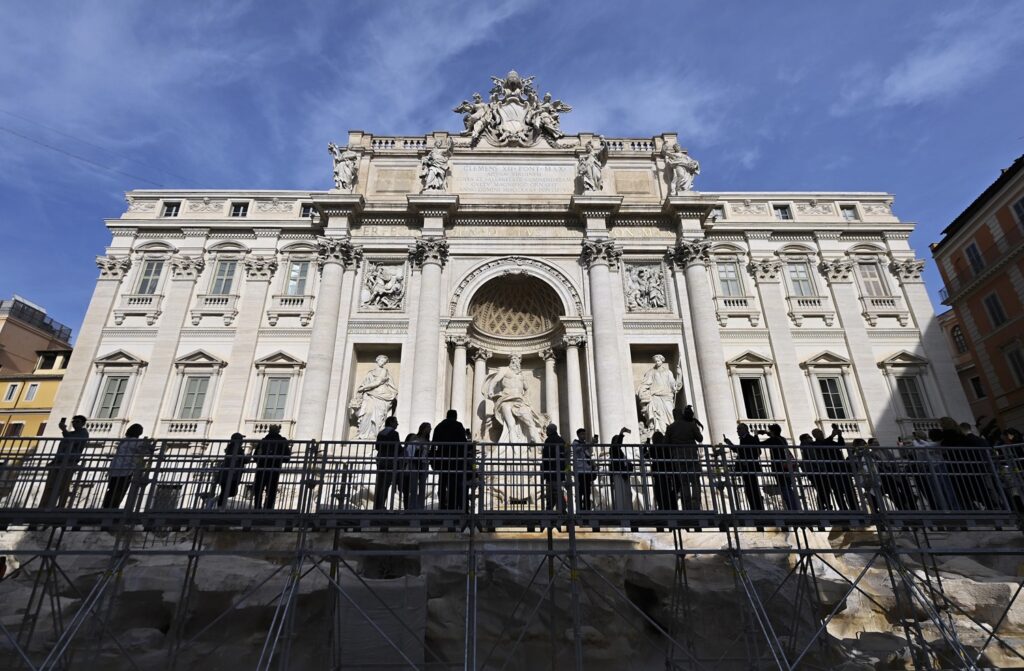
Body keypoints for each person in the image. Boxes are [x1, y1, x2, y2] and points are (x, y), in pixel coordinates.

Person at [39, 415, 90, 508]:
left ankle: (61, 506)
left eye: (77, 422)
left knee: (63, 486)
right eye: (73, 422)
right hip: (58, 462)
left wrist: (64, 430)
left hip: (69, 462)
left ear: (83, 424)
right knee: (50, 486)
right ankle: (44, 505)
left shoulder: (83, 433)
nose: (74, 423)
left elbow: (72, 440)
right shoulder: (71, 433)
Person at [102, 424, 154, 509]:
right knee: (120, 491)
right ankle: (113, 509)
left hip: (114, 468)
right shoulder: (137, 442)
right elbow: (146, 451)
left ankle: (106, 507)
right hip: (126, 470)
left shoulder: (124, 441)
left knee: (111, 490)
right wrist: (150, 445)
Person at [664, 406, 704, 510]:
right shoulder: (691, 425)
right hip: (691, 456)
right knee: (695, 481)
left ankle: (687, 506)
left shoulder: (670, 428)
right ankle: (696, 504)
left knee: (684, 483)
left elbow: (665, 444)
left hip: (678, 457)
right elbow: (700, 438)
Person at [350, 355, 398, 440]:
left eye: (384, 362)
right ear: (377, 360)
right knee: (367, 412)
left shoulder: (384, 371)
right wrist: (361, 391)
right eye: (381, 361)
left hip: (381, 395)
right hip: (370, 395)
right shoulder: (370, 373)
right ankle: (363, 434)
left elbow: (378, 382)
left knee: (379, 416)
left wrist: (364, 388)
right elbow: (364, 383)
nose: (382, 363)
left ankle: (375, 434)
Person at [810, 425, 857, 511]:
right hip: (831, 469)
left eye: (821, 432)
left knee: (849, 489)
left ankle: (854, 508)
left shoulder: (828, 441)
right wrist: (832, 436)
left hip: (841, 467)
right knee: (837, 490)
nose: (821, 434)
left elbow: (841, 445)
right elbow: (822, 446)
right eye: (818, 433)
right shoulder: (815, 444)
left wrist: (839, 435)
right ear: (814, 435)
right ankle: (844, 509)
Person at [432, 410, 469, 512]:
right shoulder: (458, 425)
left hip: (442, 458)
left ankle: (442, 505)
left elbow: (434, 442)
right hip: (456, 459)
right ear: (455, 416)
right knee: (455, 483)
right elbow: (463, 441)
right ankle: (453, 505)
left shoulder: (439, 426)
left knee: (442, 482)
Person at [724, 423, 766, 511]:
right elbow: (741, 450)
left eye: (739, 429)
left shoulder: (748, 438)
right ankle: (756, 507)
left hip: (749, 466)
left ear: (745, 430)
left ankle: (757, 508)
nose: (737, 431)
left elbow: (754, 451)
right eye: (738, 429)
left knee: (752, 488)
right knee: (750, 487)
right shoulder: (744, 439)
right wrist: (730, 444)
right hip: (748, 466)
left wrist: (747, 458)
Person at [252, 425, 291, 510]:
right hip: (274, 468)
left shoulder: (263, 441)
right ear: (278, 431)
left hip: (261, 468)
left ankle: (257, 508)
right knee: (271, 490)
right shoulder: (282, 442)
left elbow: (255, 456)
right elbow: (287, 457)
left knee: (259, 488)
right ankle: (268, 508)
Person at [763, 424, 799, 511]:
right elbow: (774, 436)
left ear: (773, 432)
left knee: (784, 488)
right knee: (788, 487)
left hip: (780, 467)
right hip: (787, 466)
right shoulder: (782, 439)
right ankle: (795, 507)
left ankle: (792, 508)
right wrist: (767, 433)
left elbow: (760, 444)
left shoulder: (773, 440)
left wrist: (756, 435)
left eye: (770, 430)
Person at [372, 416, 401, 510]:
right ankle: (381, 505)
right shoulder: (394, 433)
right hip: (390, 461)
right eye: (396, 422)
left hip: (381, 459)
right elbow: (398, 448)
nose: (397, 424)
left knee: (379, 483)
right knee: (386, 483)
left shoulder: (381, 433)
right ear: (391, 423)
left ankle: (377, 505)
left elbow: (377, 447)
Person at [402, 422, 431, 510]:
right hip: (414, 462)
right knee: (413, 486)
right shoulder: (414, 437)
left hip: (423, 463)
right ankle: (412, 506)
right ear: (423, 428)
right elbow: (408, 449)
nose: (430, 429)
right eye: (428, 427)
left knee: (422, 486)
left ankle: (420, 506)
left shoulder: (427, 441)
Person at [215, 433, 249, 507]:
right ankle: (219, 505)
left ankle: (219, 505)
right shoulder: (236, 448)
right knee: (230, 491)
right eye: (241, 439)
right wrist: (248, 457)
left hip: (228, 474)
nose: (242, 441)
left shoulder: (231, 448)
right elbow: (242, 459)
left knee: (226, 491)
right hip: (231, 474)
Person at [541, 423, 567, 512]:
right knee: (554, 491)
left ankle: (561, 509)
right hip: (560, 470)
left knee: (553, 491)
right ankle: (551, 509)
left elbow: (546, 456)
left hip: (551, 471)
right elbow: (567, 452)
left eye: (547, 430)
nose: (546, 432)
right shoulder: (561, 440)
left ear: (551, 430)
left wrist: (544, 471)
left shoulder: (549, 440)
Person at [608, 428, 634, 511]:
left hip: (623, 473)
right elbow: (617, 444)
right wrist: (621, 433)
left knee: (626, 493)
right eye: (616, 440)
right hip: (618, 473)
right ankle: (621, 511)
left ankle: (627, 510)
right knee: (620, 493)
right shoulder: (613, 449)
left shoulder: (618, 451)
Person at [571, 429, 595, 512]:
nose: (584, 436)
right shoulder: (575, 443)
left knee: (587, 492)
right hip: (580, 472)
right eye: (582, 434)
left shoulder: (584, 445)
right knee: (580, 492)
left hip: (587, 472)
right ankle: (579, 509)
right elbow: (578, 449)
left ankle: (587, 510)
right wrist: (590, 444)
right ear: (578, 435)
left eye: (584, 434)